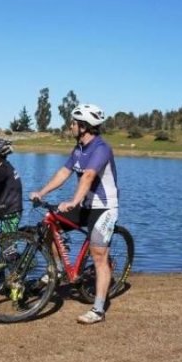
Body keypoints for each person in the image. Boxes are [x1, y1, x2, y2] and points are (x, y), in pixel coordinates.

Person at [29, 104, 119, 324]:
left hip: (104, 207)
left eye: (73, 123)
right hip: (86, 205)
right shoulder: (79, 148)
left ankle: (98, 310)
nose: (70, 126)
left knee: (99, 256)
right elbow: (64, 172)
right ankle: (59, 269)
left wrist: (73, 201)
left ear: (84, 126)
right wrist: (42, 192)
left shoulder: (101, 148)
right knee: (50, 222)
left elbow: (88, 176)